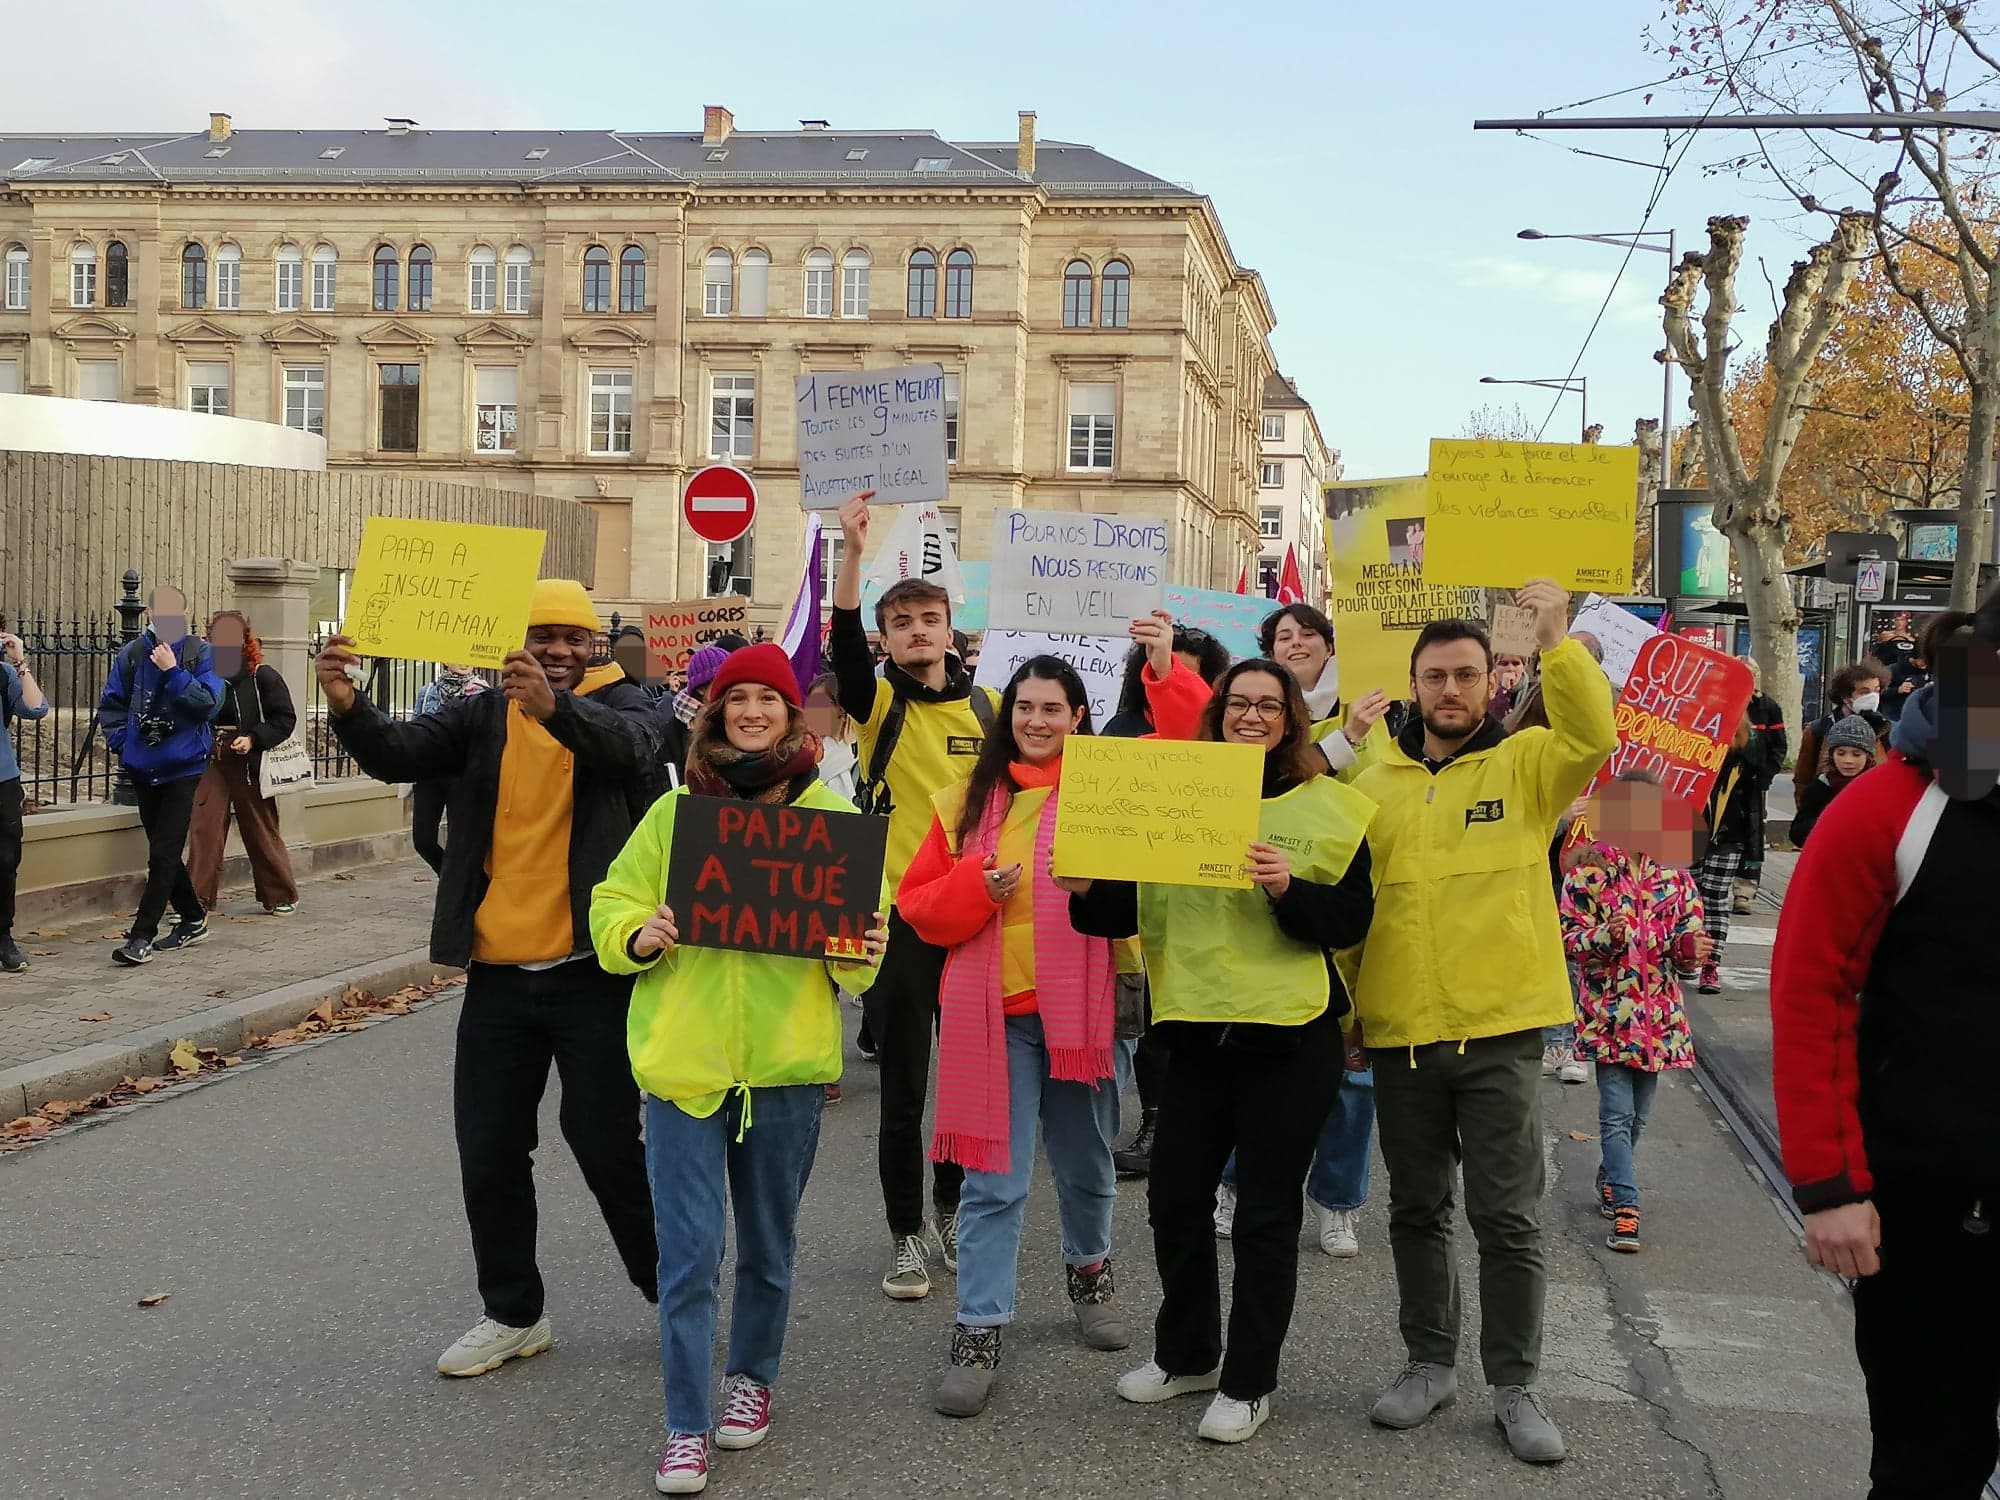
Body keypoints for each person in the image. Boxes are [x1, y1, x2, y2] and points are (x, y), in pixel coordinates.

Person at [315, 579, 661, 1378]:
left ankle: (669, 1290)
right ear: (518, 637)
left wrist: (555, 709)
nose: (560, 651)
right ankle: (513, 1312)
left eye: (574, 638)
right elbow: (399, 751)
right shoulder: (477, 714)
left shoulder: (632, 705)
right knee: (490, 1150)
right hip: (499, 980)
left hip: (593, 974)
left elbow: (627, 751)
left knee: (608, 1145)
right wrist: (347, 701)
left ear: (595, 644)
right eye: (543, 634)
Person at [589, 643, 888, 1495]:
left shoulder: (834, 822)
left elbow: (861, 958)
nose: (751, 711)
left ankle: (750, 1379)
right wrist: (637, 933)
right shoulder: (674, 815)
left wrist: (865, 947)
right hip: (684, 1067)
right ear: (714, 714)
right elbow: (613, 902)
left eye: (768, 698)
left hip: (785, 1072)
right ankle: (685, 1423)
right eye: (736, 699)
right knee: (689, 1254)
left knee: (767, 1246)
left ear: (795, 717)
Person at [1067, 659, 1376, 1445]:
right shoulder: (1180, 791)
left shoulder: (1333, 808)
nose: (1251, 715)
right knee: (1173, 1202)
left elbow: (1349, 921)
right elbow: (1120, 908)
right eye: (1238, 702)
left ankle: (1248, 1381)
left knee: (1265, 1218)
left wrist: (1286, 890)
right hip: (1195, 1034)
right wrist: (1082, 887)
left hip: (1288, 1036)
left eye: (1268, 705)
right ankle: (1188, 1355)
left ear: (1292, 719)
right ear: (1217, 712)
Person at [1350, 580, 1615, 1465]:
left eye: (1466, 675)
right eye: (1435, 678)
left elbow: (1595, 737)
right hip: (1400, 1032)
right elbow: (1349, 898)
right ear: (1414, 685)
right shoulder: (1373, 780)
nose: (1451, 691)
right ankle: (1428, 1363)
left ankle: (1515, 1383)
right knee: (1416, 1210)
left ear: (1489, 680)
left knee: (1508, 1218)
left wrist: (1556, 640)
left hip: (1500, 1030)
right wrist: (1352, 1009)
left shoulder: (1527, 767)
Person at [1771, 592, 2000, 1498]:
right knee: (1933, 1460)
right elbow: (1809, 992)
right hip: (1934, 1205)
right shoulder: (1888, 806)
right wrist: (1831, 1187)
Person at [895, 656, 1126, 1418]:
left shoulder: (1109, 798)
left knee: (1089, 1164)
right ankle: (978, 1329)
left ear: (1078, 717)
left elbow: (1143, 900)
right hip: (992, 1016)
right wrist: (974, 888)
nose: (1035, 720)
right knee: (996, 1182)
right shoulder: (961, 802)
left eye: (1052, 708)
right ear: (1007, 717)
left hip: (1081, 1019)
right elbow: (918, 904)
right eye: (1023, 707)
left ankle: (1090, 1274)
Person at [829, 490, 998, 1302]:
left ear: (948, 624)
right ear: (887, 636)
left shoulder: (992, 709)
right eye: (900, 622)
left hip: (973, 923)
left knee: (963, 1089)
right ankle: (904, 1233)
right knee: (904, 1090)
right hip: (897, 918)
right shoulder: (879, 702)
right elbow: (842, 652)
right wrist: (852, 557)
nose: (916, 630)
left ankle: (953, 1210)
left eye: (927, 616)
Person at [1099, 614, 1229, 1178]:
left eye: (1190, 676)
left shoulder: (1229, 742)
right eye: (1163, 667)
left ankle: (1203, 1130)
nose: (1174, 680)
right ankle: (1157, 1120)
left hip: (1209, 905)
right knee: (1150, 1026)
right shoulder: (1120, 733)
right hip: (1142, 907)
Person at [1559, 774, 1711, 1254]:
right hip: (1609, 1015)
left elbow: (1686, 945)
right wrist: (1608, 936)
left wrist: (1690, 949)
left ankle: (1610, 1175)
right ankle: (1627, 1205)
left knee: (1640, 1115)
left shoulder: (1675, 877)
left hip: (1660, 1020)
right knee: (1616, 1114)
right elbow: (1568, 940)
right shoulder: (1587, 874)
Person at [97, 585, 225, 967]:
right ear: (150, 614)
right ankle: (192, 916)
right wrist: (125, 743)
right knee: (163, 851)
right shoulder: (131, 655)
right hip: (143, 765)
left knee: (163, 852)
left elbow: (208, 705)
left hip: (184, 766)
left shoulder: (202, 654)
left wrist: (173, 673)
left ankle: (141, 936)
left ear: (186, 614)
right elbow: (111, 706)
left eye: (177, 613)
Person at [186, 611, 300, 916]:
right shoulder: (201, 673)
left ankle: (280, 894)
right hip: (211, 757)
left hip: (249, 760)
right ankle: (196, 900)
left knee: (260, 827)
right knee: (205, 827)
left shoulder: (261, 675)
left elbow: (285, 718)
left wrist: (253, 738)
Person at [1692, 716, 1759, 996]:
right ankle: (1684, 954)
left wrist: (1753, 853)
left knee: (1716, 901)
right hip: (1686, 834)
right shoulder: (1689, 743)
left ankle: (1710, 963)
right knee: (1686, 899)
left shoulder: (1745, 757)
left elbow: (1754, 803)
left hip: (1728, 837)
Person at [0, 625, 49, 973]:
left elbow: (36, 709)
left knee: (5, 861)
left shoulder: (4, 674)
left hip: (2, 779)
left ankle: (3, 937)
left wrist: (20, 662)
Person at [410, 664, 487, 875]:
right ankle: (451, 880)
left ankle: (459, 893)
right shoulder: (427, 692)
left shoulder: (482, 693)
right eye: (457, 656)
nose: (463, 662)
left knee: (459, 843)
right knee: (423, 840)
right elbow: (417, 729)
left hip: (463, 775)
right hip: (430, 773)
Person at [1735, 662, 1789, 914]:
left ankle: (1745, 891)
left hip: (1753, 783)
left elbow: (1779, 746)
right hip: (1723, 784)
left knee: (1753, 835)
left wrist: (1766, 775)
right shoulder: (1720, 700)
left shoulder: (1767, 707)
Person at [1793, 660, 1892, 797]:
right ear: (1846, 697)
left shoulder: (1884, 728)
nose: (1873, 697)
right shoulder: (1819, 729)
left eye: (1876, 691)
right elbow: (1803, 779)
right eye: (1864, 692)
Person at [1789, 714, 1877, 848]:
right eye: (1841, 753)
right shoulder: (1819, 788)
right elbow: (1797, 834)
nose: (1848, 761)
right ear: (1831, 755)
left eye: (1856, 754)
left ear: (1868, 756)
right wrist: (1828, 822)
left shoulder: (1877, 789)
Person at [659, 643, 732, 791]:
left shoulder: (736, 719)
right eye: (721, 682)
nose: (730, 688)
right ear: (701, 688)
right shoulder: (673, 730)